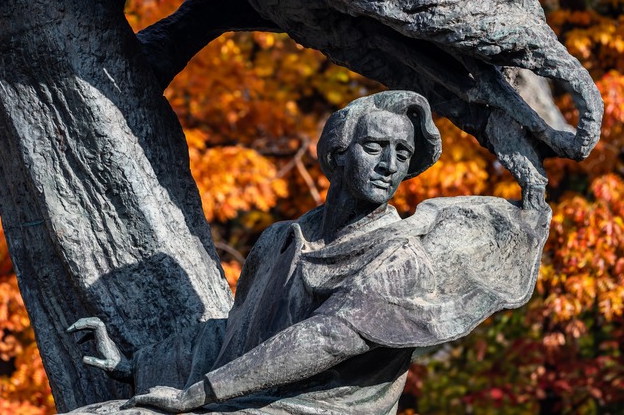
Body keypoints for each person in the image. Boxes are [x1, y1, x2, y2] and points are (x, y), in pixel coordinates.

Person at [68, 90, 548, 414]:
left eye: (401, 156)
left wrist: (195, 395)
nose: (388, 165)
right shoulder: (281, 241)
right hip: (244, 401)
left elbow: (325, 339)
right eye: (375, 147)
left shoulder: (402, 257)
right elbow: (236, 336)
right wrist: (140, 366)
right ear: (338, 155)